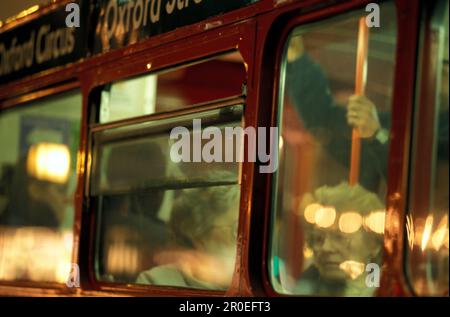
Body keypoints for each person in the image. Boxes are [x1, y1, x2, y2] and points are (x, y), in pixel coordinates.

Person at [285, 35, 390, 193]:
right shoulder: (403, 123)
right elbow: (325, 120)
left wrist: (376, 135)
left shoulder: (413, 130)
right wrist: (298, 59)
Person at [136, 173, 240, 290]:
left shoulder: (252, 280)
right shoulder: (156, 282)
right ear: (199, 234)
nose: (246, 238)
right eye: (237, 228)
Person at [294, 181, 385, 296]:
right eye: (318, 239)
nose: (326, 248)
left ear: (373, 244)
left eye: (340, 238)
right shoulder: (303, 287)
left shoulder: (388, 290)